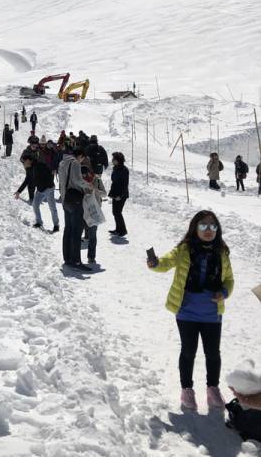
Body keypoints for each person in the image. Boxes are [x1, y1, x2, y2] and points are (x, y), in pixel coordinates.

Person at [148, 211, 234, 411]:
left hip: (212, 311)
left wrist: (223, 291)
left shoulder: (221, 252)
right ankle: (187, 389)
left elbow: (229, 280)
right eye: (203, 226)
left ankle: (213, 388)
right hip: (186, 310)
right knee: (188, 351)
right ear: (195, 228)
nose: (208, 230)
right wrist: (155, 263)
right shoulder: (184, 249)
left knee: (213, 353)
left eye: (213, 226)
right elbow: (166, 262)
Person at [58, 147, 93, 270]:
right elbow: (78, 180)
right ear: (81, 156)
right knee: (76, 231)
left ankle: (67, 258)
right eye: (83, 158)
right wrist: (88, 185)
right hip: (75, 200)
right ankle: (76, 261)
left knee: (68, 229)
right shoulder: (75, 163)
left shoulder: (62, 162)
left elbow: (61, 182)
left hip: (66, 200)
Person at [18, 153, 60, 230]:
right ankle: (40, 222)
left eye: (24, 162)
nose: (23, 164)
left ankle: (55, 225)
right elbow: (27, 180)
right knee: (35, 204)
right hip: (41, 189)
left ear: (28, 160)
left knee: (51, 206)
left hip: (48, 188)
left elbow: (49, 173)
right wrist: (19, 191)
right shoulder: (29, 168)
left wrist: (50, 184)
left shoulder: (39, 165)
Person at [109, 152, 129, 237]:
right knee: (115, 212)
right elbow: (114, 182)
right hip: (115, 193)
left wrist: (120, 196)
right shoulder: (116, 168)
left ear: (118, 160)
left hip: (121, 195)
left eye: (114, 159)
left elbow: (125, 184)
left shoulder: (124, 170)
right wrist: (112, 193)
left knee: (117, 212)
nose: (112, 160)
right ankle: (118, 229)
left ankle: (123, 230)